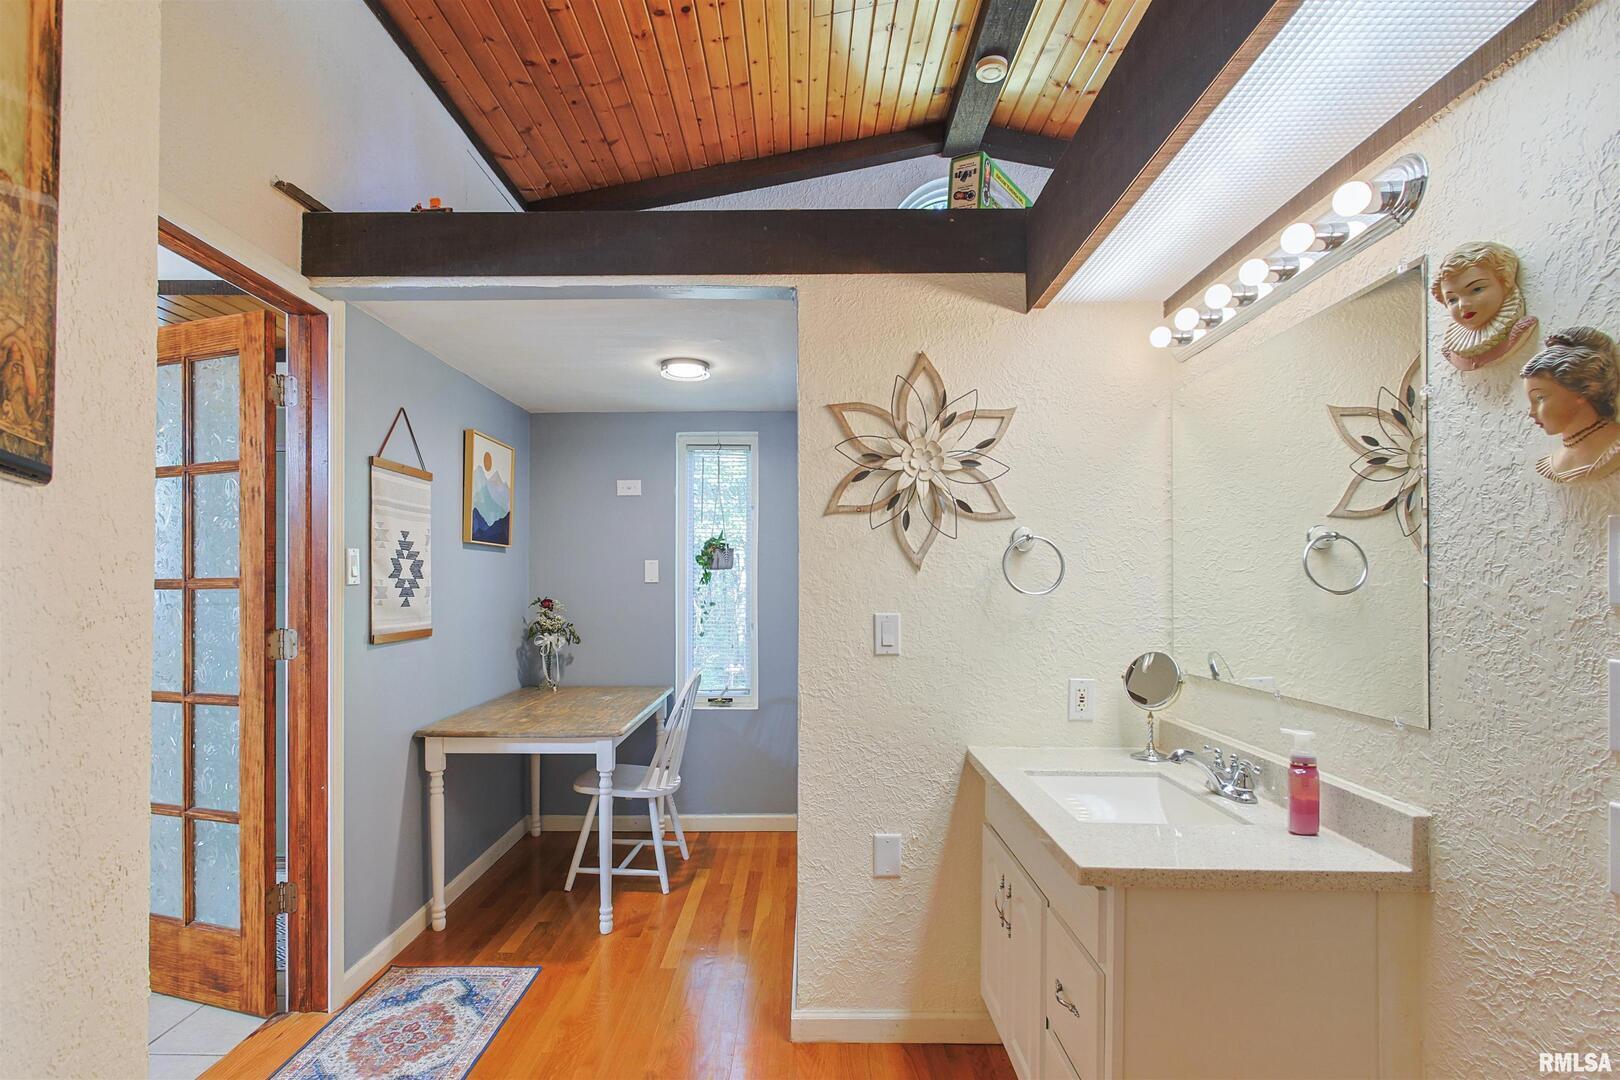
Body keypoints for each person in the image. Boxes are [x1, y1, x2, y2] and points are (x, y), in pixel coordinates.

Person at [1521, 327, 1620, 483]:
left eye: (1540, 398)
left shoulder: (1615, 446)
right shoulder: (1552, 465)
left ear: (1582, 390)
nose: (1531, 412)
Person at [1431, 241, 1538, 371]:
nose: (1463, 305)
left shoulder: (1520, 329)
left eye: (1476, 289)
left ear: (1505, 281)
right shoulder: (1452, 352)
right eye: (1452, 300)